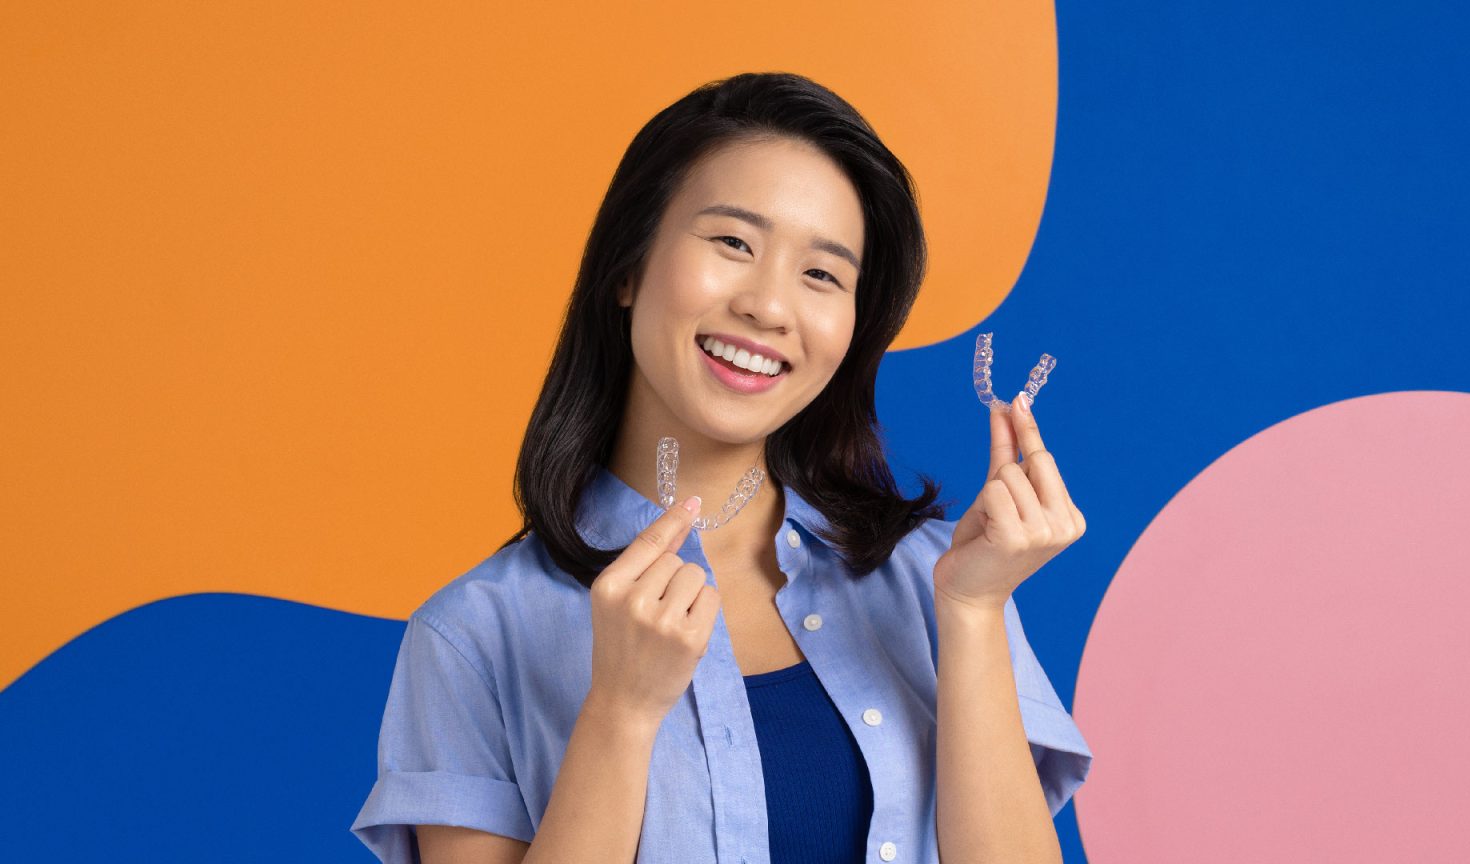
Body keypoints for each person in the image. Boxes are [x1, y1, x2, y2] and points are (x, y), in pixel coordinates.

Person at [351, 71, 1092, 864]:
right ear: (627, 267)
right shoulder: (475, 636)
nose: (769, 307)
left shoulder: (935, 580)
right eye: (734, 243)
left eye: (822, 275)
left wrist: (975, 614)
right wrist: (621, 713)